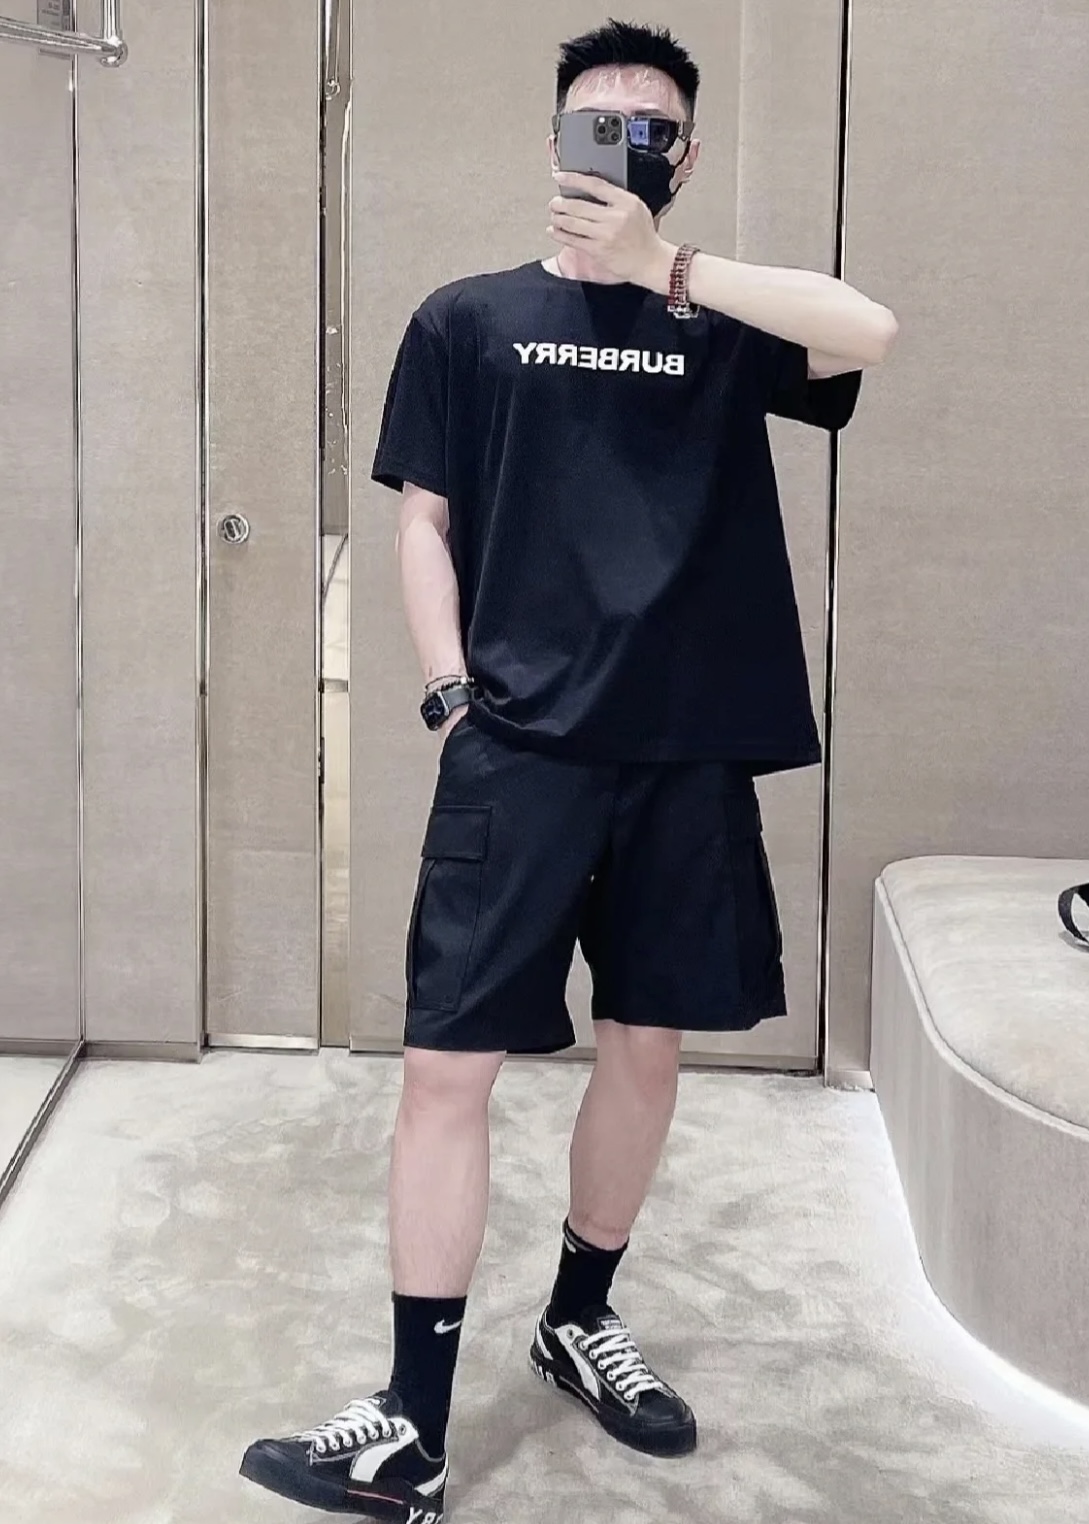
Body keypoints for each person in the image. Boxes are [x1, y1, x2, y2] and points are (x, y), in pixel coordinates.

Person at [241, 18, 897, 1523]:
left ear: (685, 155)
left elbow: (868, 330)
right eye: (597, 123)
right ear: (553, 143)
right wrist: (449, 695)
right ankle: (411, 1425)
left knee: (646, 1050)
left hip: (684, 754)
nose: (622, 144)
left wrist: (674, 265)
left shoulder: (720, 317)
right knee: (445, 1067)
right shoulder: (467, 318)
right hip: (520, 752)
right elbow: (421, 520)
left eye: (650, 129)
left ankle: (577, 1316)